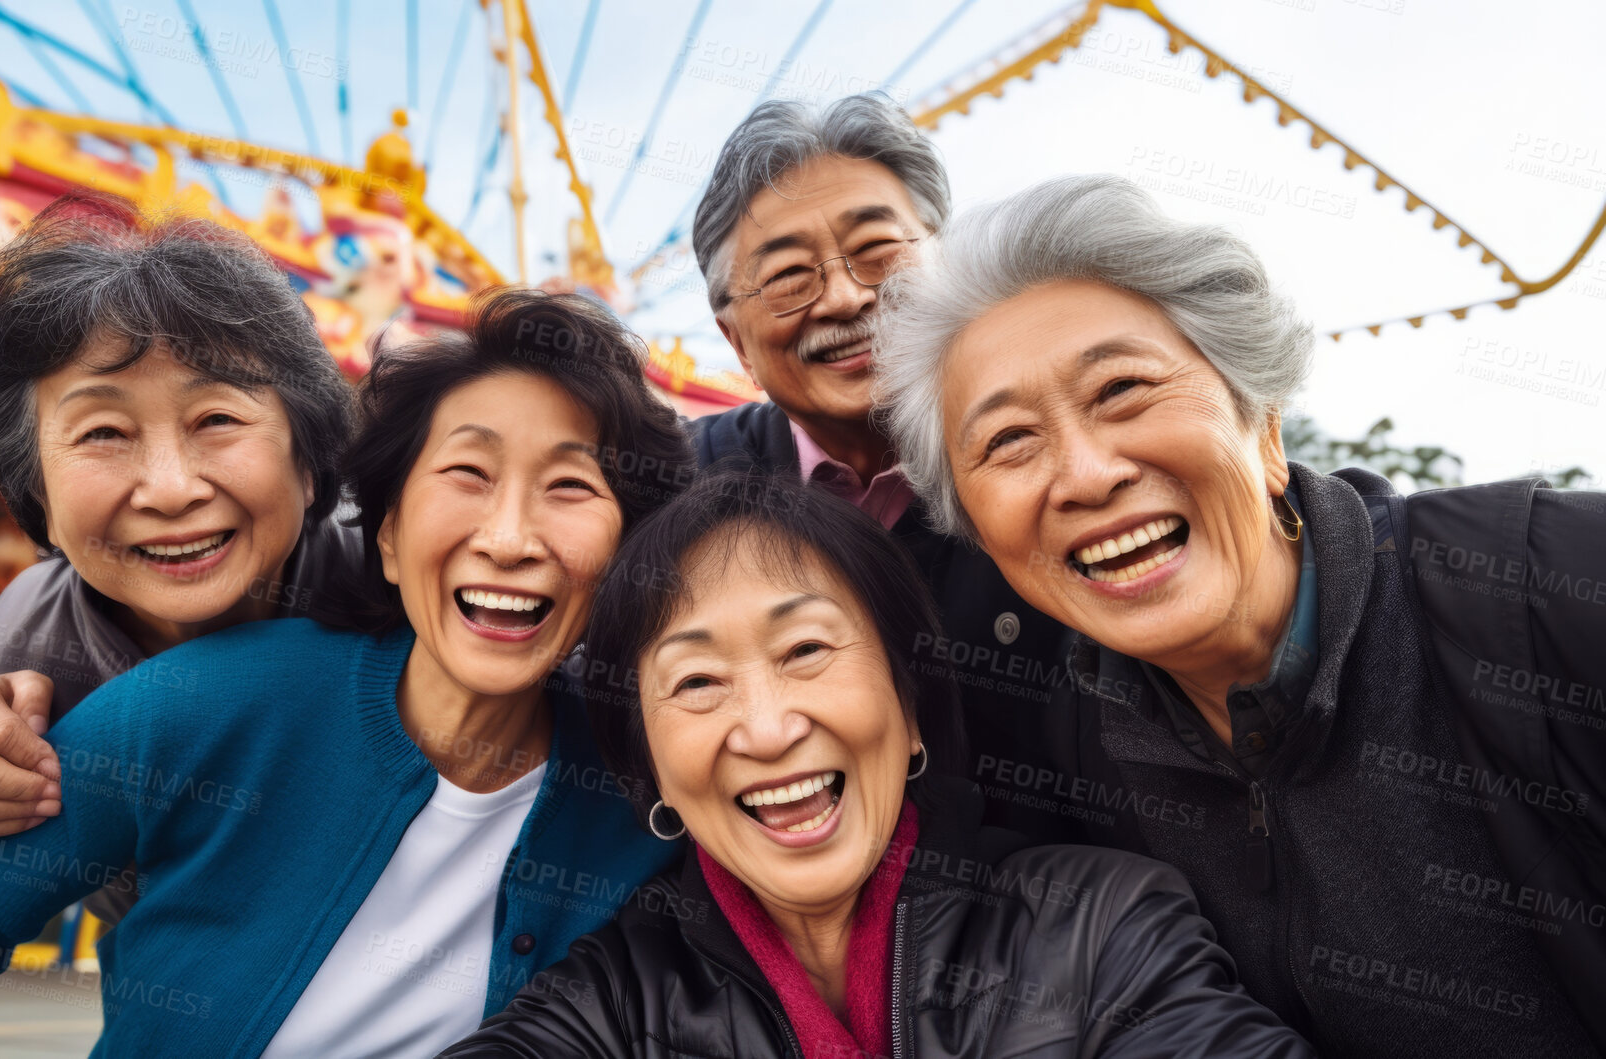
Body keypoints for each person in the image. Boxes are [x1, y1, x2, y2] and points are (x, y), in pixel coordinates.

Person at [0, 289, 695, 1058]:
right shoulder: (143, 690)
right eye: (101, 434)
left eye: (570, 486)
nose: (507, 536)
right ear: (393, 537)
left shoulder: (655, 764)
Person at [872, 174, 1606, 1057]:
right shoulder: (1065, 750)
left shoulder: (1539, 587)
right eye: (1008, 441)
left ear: (1261, 426)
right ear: (983, 540)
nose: (1085, 473)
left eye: (1121, 390)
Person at [442, 472, 1311, 1057]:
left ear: (909, 702)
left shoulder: (1099, 924)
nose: (769, 727)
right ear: (651, 763)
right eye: (697, 680)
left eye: (807, 649)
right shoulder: (615, 998)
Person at [0, 193, 364, 928]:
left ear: (310, 461)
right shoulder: (32, 630)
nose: (170, 489)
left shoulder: (391, 570)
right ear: (36, 494)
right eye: (102, 432)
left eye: (217, 418)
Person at [686, 93, 1072, 837]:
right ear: (734, 340)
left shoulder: (1059, 458)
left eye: (879, 254)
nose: (845, 296)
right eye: (790, 276)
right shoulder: (671, 493)